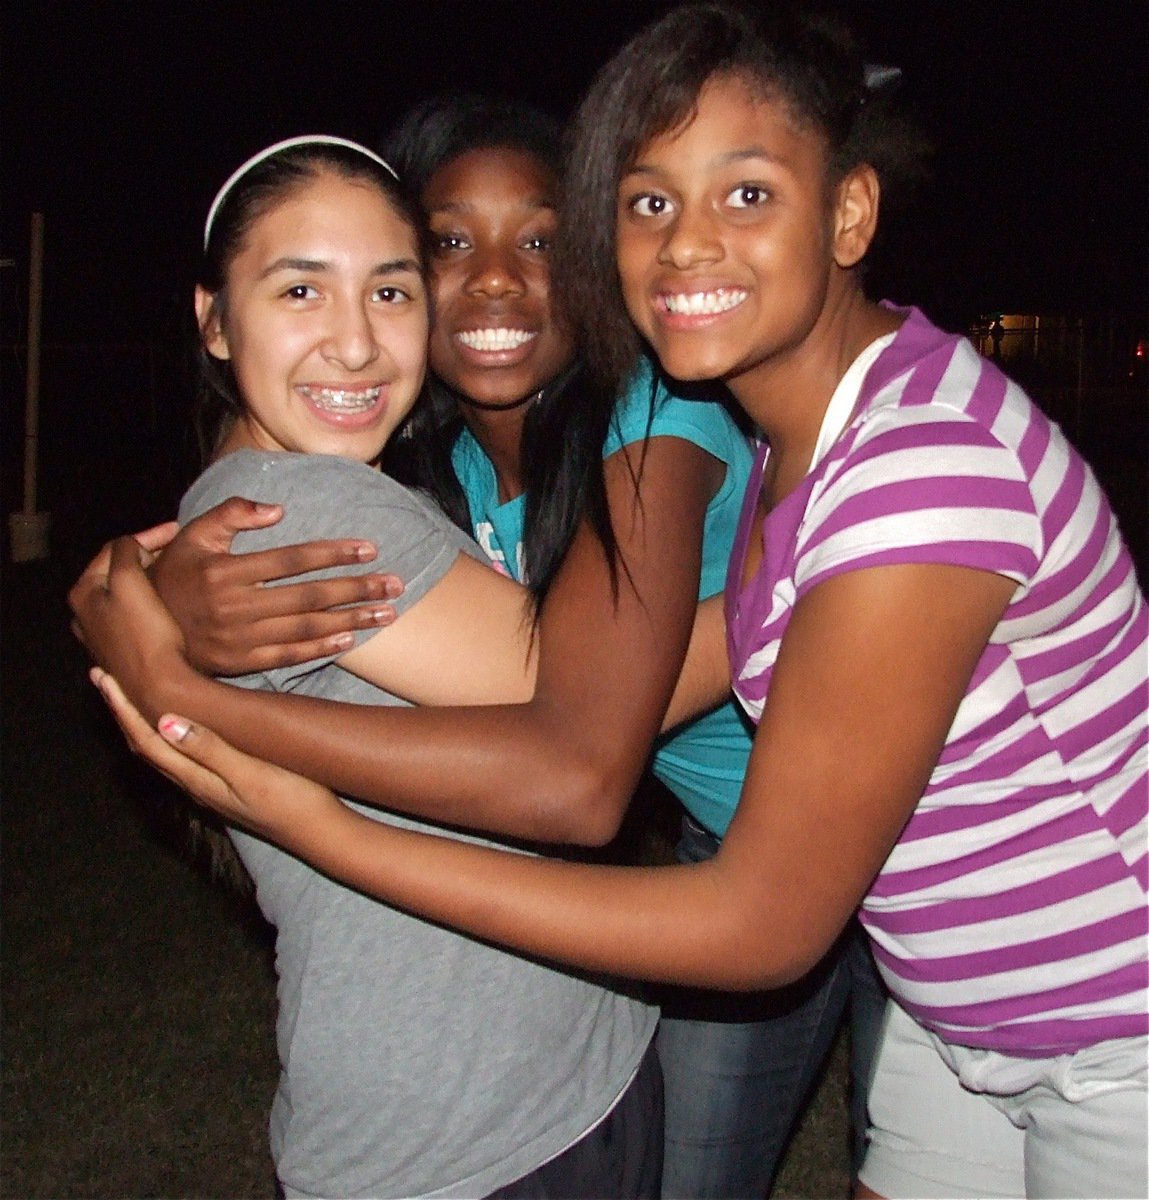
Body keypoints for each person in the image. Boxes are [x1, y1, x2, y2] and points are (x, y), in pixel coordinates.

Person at [73, 6, 1148, 1198]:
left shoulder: (896, 470)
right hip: (956, 1003)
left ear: (849, 213)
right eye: (647, 203)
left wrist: (215, 723)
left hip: (1112, 1022)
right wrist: (161, 582)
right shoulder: (801, 425)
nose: (687, 245)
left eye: (746, 194)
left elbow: (681, 852)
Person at [101, 94, 886, 1195]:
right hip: (722, 858)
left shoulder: (646, 413)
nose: (356, 338)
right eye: (448, 246)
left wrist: (173, 672)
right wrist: (152, 591)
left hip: (897, 815)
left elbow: (577, 747)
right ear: (215, 321)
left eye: (541, 241)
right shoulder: (427, 471)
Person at [118, 133, 666, 1200]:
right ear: (214, 321)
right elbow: (586, 707)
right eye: (300, 291)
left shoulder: (285, 497)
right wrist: (800, 584)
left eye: (390, 292)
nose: (357, 344)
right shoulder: (303, 509)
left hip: (533, 1076)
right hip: (466, 1129)